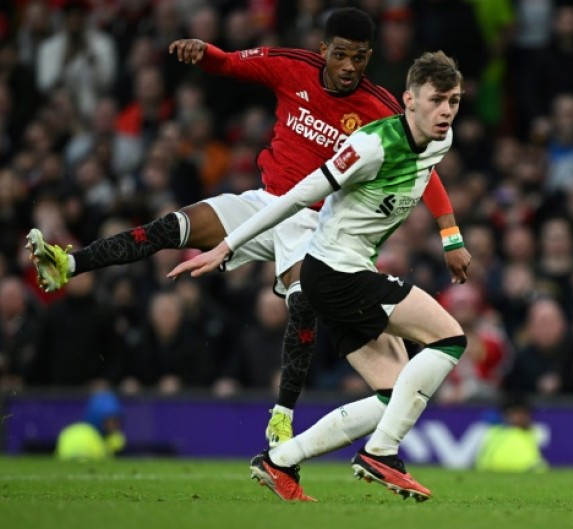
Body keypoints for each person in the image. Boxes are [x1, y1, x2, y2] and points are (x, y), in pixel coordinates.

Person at [25, 8, 470, 448]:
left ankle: (282, 416)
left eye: (359, 57)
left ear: (369, 57)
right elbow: (230, 63)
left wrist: (450, 237)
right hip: (264, 203)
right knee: (172, 227)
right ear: (323, 50)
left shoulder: (381, 110)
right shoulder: (292, 66)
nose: (349, 66)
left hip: (316, 220)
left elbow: (424, 172)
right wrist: (203, 52)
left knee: (302, 299)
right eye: (340, 55)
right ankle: (69, 264)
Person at [169, 51, 466, 503]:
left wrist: (451, 237)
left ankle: (281, 460)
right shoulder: (370, 146)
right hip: (333, 273)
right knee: (450, 339)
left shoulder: (440, 141)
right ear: (409, 100)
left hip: (348, 272)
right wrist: (227, 245)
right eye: (436, 100)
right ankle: (382, 453)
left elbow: (430, 175)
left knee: (394, 393)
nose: (446, 111)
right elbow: (294, 197)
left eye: (454, 101)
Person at [55, 390, 126, 461]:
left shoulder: (114, 438)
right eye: (109, 421)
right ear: (97, 417)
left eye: (116, 421)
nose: (113, 426)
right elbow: (77, 464)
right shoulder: (79, 435)